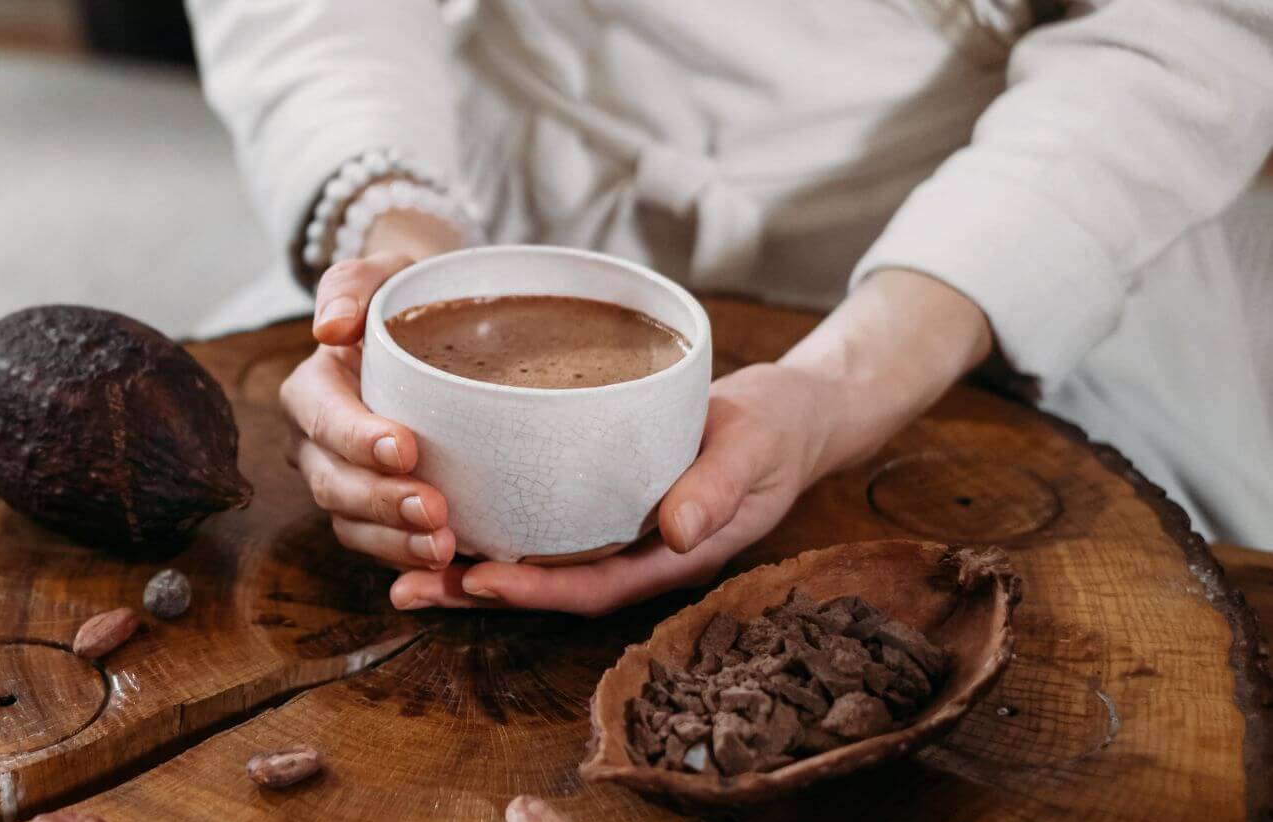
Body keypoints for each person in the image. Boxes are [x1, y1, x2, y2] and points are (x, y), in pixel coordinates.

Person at [186, 0, 1273, 615]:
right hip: (486, 183)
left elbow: (1184, 36)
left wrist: (851, 378)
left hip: (999, 239)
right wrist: (395, 223)